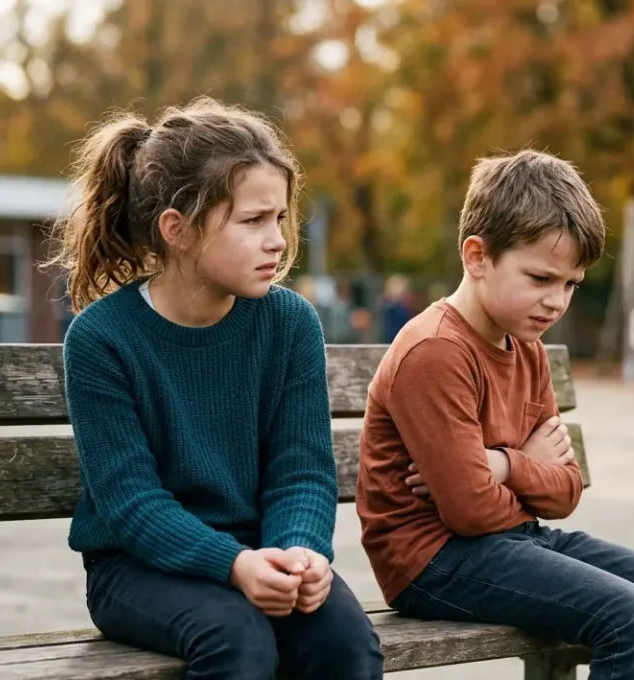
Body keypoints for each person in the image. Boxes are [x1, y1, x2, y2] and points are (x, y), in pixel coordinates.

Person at [355, 150, 634, 679]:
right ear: (476, 256)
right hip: (432, 561)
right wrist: (524, 470)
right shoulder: (435, 350)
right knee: (632, 618)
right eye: (540, 278)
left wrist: (506, 467)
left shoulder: (527, 345)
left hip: (513, 541)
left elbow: (566, 491)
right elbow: (468, 510)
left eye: (571, 285)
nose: (556, 302)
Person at [47, 98, 383, 680]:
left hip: (265, 549)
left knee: (347, 646)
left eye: (279, 218)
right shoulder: (102, 339)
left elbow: (301, 470)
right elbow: (132, 504)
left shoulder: (289, 324)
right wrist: (234, 565)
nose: (276, 239)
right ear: (177, 230)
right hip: (137, 567)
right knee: (239, 641)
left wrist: (301, 553)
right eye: (253, 221)